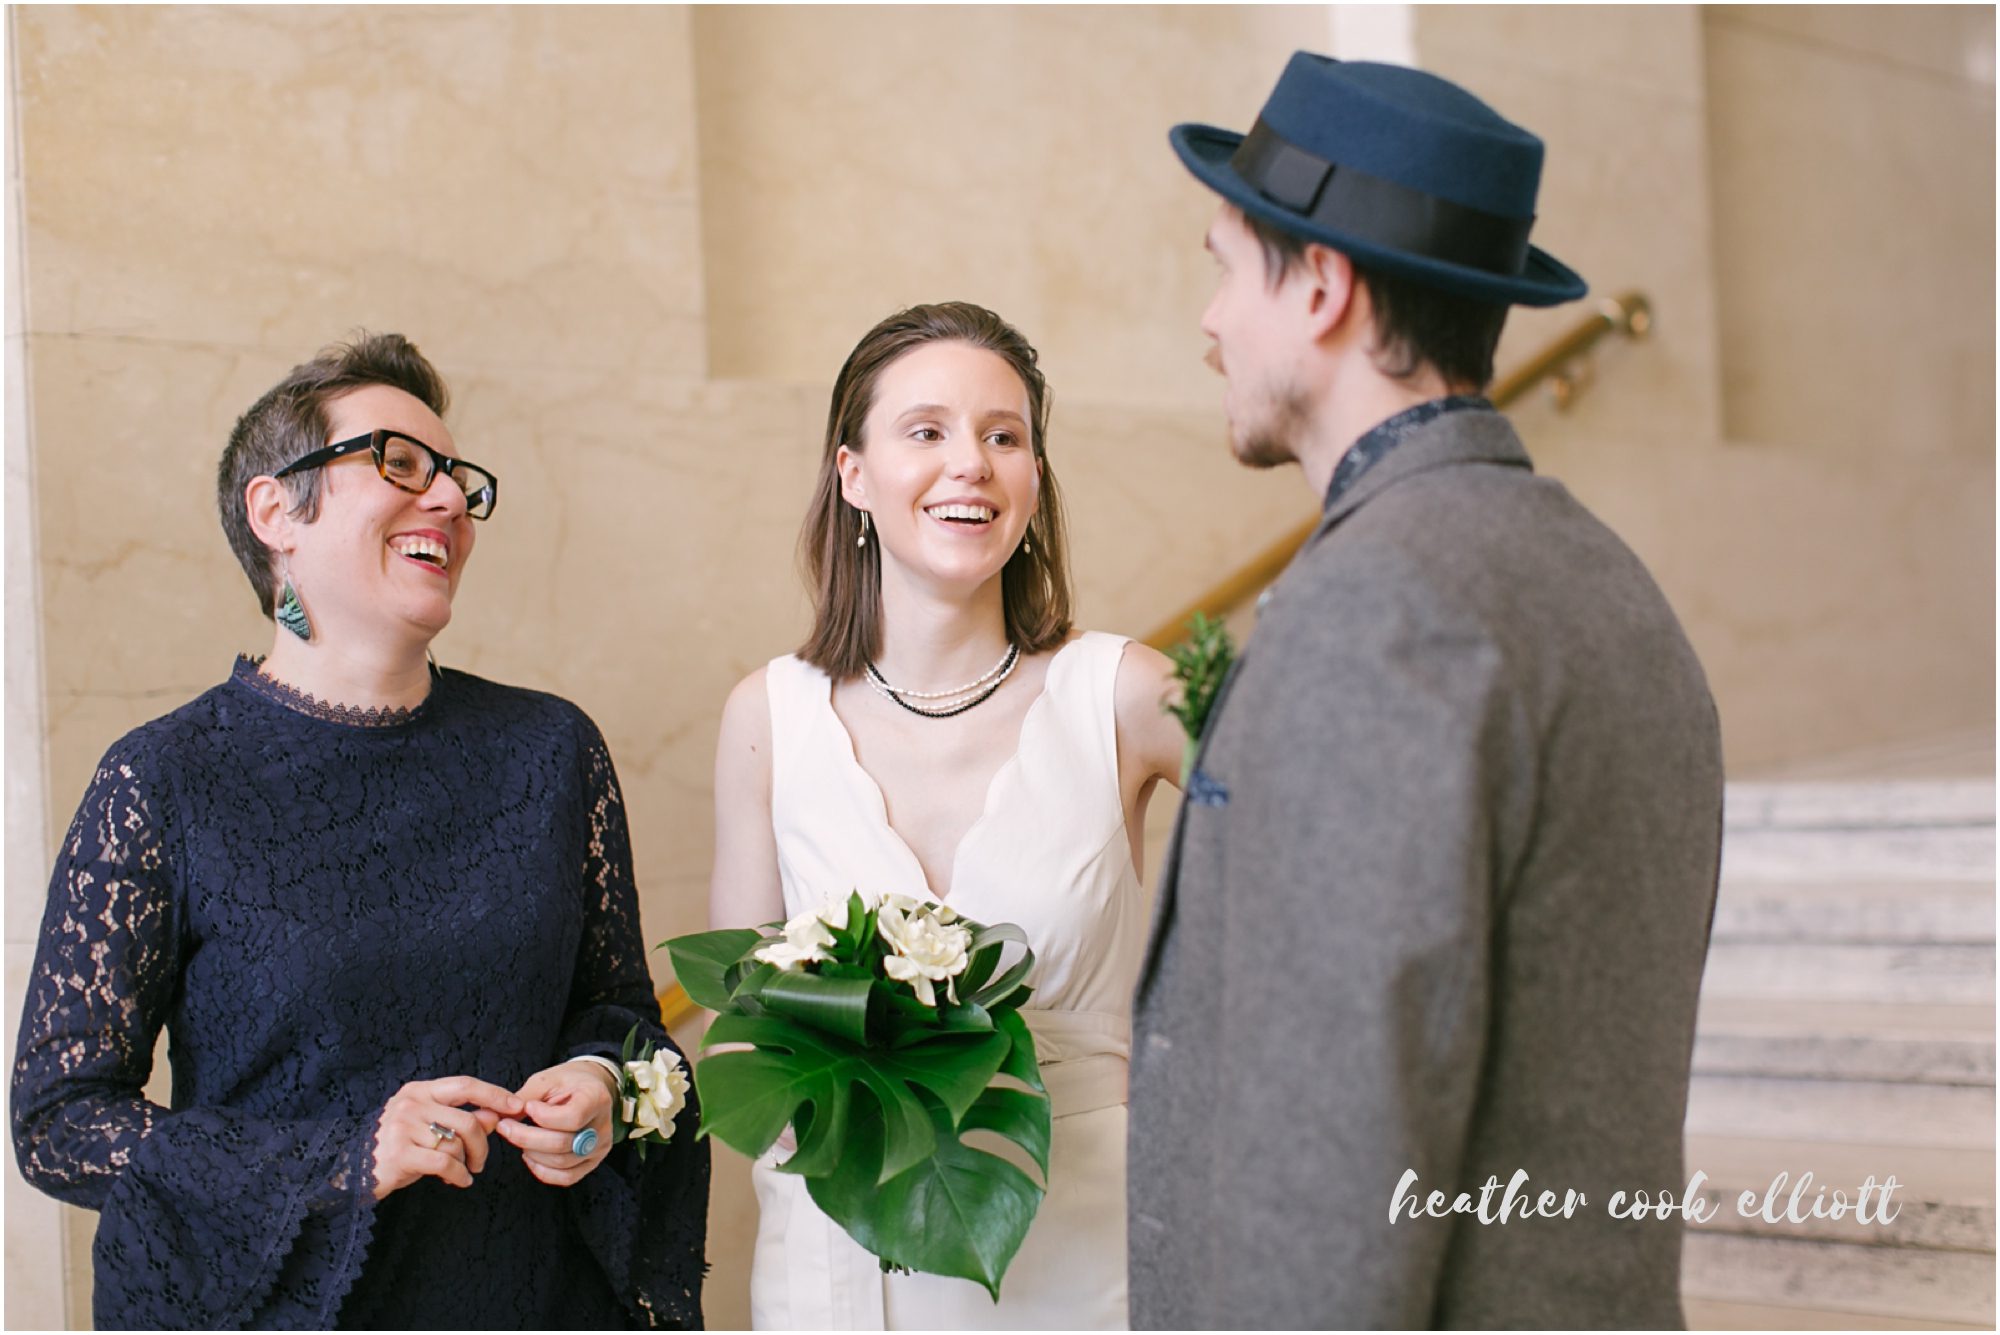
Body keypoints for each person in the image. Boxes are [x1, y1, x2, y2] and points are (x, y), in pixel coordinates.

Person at [1128, 54, 1724, 1328]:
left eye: (1226, 269)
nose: (1211, 321)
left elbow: (1333, 1153)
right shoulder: (1609, 580)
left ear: (1322, 287)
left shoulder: (1373, 608)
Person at [11, 334, 709, 1329]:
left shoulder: (552, 750)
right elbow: (60, 1121)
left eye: (457, 477)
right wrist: (344, 1158)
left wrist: (600, 1086)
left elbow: (621, 1014)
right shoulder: (161, 779)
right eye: (401, 463)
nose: (449, 499)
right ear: (274, 512)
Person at [709, 301, 1184, 1329]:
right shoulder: (769, 715)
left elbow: (1320, 829)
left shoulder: (1125, 694)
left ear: (1033, 479)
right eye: (926, 431)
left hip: (1079, 1254)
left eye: (1003, 437)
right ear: (852, 475)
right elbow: (737, 1026)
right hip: (835, 1265)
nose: (970, 463)